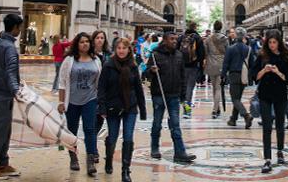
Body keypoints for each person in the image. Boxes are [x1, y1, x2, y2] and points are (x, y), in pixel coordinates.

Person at [98, 38, 147, 182]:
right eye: (118, 48)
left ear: (128, 50)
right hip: (113, 107)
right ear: (115, 49)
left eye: (124, 48)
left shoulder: (132, 66)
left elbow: (138, 88)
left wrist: (142, 109)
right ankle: (109, 159)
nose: (121, 50)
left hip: (130, 107)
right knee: (112, 136)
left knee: (128, 137)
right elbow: (101, 88)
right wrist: (102, 107)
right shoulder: (108, 66)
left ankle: (126, 170)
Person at [144, 32, 196, 163]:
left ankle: (180, 152)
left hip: (174, 95)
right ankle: (154, 147)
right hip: (159, 94)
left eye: (175, 39)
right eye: (171, 39)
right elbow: (145, 75)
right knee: (157, 123)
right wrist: (151, 70)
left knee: (175, 125)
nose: (174, 41)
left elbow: (183, 76)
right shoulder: (155, 55)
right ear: (165, 41)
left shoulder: (179, 55)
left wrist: (183, 95)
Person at [0, 13, 24, 178]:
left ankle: (3, 163)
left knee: (5, 130)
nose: (20, 30)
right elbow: (10, 71)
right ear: (15, 28)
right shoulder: (9, 47)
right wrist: (16, 90)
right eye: (19, 27)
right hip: (4, 93)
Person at [57, 32, 101, 174]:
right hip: (73, 101)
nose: (85, 44)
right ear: (77, 44)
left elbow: (99, 82)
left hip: (90, 99)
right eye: (82, 42)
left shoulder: (96, 60)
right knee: (72, 130)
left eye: (87, 41)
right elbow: (62, 82)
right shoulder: (69, 60)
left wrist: (100, 100)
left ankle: (90, 160)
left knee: (90, 129)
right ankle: (73, 157)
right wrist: (61, 101)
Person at [252, 30, 288, 173]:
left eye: (274, 42)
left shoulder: (285, 56)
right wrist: (264, 70)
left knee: (280, 124)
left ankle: (280, 151)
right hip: (265, 94)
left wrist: (277, 72)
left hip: (280, 94)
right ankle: (267, 159)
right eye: (269, 42)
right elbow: (255, 77)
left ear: (279, 42)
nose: (272, 45)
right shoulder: (262, 56)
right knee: (267, 127)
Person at [222, 27, 254, 129]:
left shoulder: (231, 48)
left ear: (235, 35)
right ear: (244, 36)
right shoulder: (248, 49)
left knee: (235, 99)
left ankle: (246, 115)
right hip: (244, 75)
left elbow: (226, 63)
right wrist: (251, 77)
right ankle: (233, 119)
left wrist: (223, 75)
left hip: (234, 75)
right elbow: (252, 64)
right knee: (238, 98)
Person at [179, 21, 206, 118]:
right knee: (190, 88)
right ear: (195, 27)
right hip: (193, 66)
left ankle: (183, 107)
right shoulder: (197, 38)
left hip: (182, 66)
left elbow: (177, 51)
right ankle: (187, 111)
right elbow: (202, 53)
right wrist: (200, 63)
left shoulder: (182, 37)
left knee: (183, 87)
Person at [205, 20, 228, 119]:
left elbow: (206, 52)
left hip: (211, 64)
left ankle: (216, 108)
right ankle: (215, 109)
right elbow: (228, 52)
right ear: (221, 27)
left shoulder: (208, 39)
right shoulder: (225, 39)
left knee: (214, 87)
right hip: (221, 64)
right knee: (218, 88)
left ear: (214, 27)